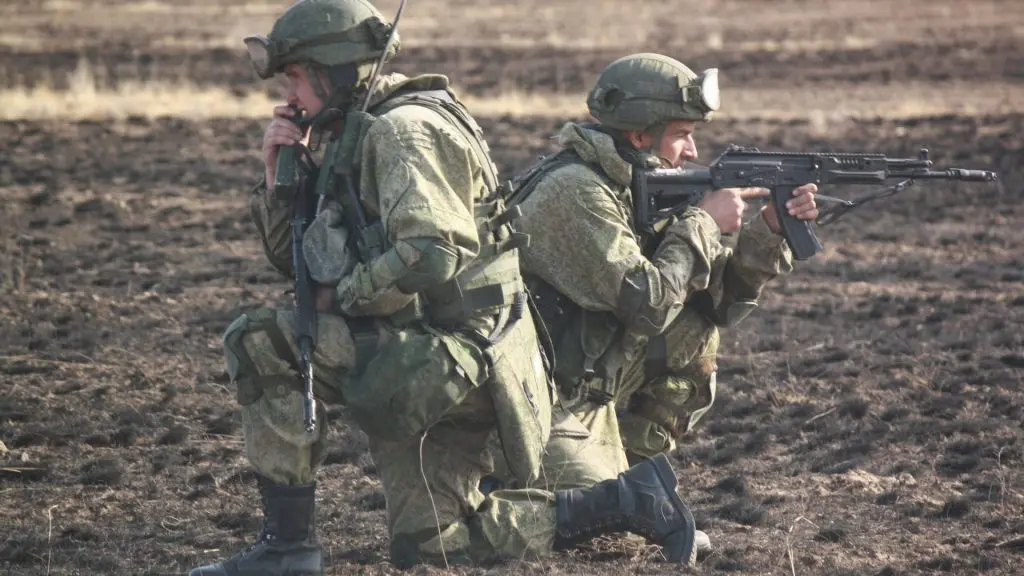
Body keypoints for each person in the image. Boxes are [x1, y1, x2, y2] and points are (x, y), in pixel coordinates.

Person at [189, 6, 702, 575]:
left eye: (294, 77)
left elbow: (433, 250)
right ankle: (625, 503)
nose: (289, 95)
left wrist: (348, 296)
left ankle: (286, 551)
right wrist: (279, 178)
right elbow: (301, 263)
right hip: (431, 346)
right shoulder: (349, 134)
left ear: (334, 71)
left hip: (462, 357)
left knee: (263, 341)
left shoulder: (404, 131)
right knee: (431, 546)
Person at [487, 52, 820, 549]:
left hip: (582, 382)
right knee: (610, 534)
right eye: (682, 134)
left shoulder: (634, 182)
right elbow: (648, 305)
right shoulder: (575, 192)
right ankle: (506, 478)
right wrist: (703, 222)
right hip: (527, 403)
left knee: (694, 332)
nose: (692, 150)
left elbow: (717, 305)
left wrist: (768, 232)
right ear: (640, 135)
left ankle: (624, 467)